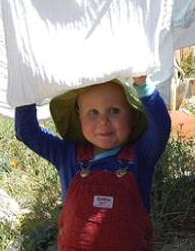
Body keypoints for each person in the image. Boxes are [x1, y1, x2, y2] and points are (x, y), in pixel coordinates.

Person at [14, 75, 171, 250]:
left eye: (114, 111)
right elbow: (27, 132)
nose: (103, 121)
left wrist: (143, 85)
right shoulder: (67, 155)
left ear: (133, 116)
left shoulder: (140, 155)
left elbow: (161, 126)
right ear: (78, 117)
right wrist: (25, 92)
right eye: (93, 113)